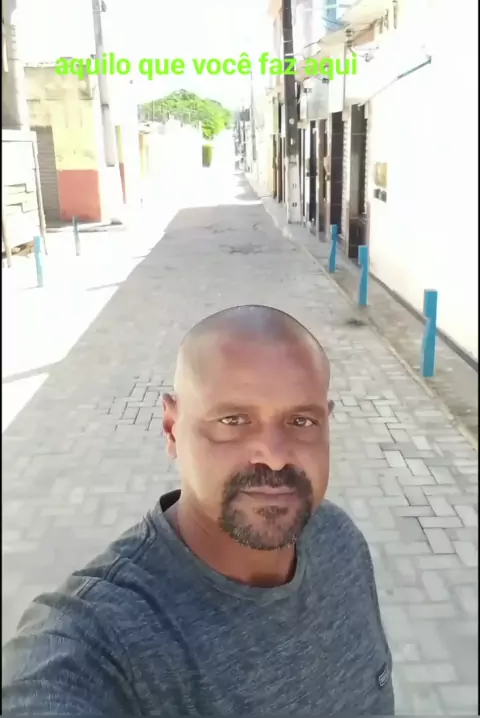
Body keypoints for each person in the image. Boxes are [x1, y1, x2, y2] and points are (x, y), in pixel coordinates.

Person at [2, 305, 394, 717]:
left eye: (301, 421)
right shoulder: (102, 636)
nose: (275, 456)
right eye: (234, 420)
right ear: (172, 429)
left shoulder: (338, 538)